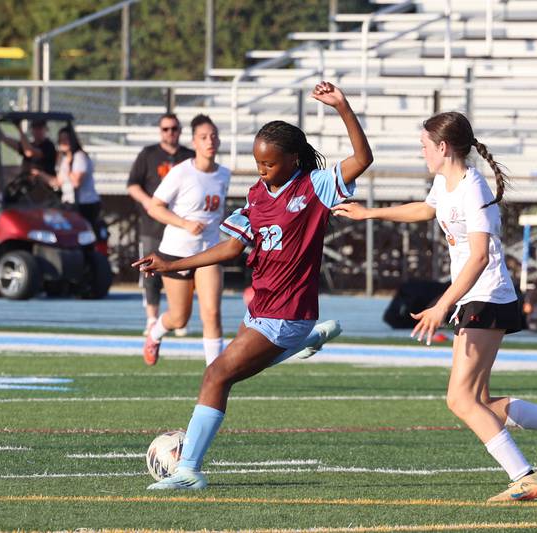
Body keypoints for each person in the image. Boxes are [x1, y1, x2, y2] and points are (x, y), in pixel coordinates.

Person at [332, 111, 537, 502]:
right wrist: (371, 212)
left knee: (459, 399)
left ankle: (525, 477)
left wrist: (442, 306)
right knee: (482, 402)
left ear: (442, 147)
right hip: (476, 298)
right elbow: (426, 209)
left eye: (424, 145)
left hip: (485, 297)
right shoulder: (445, 180)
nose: (421, 152)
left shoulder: (473, 188)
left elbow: (478, 259)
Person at [133, 81, 370, 490]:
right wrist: (174, 262)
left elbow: (363, 158)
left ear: (293, 159)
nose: (262, 170)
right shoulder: (258, 194)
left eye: (270, 164)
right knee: (228, 375)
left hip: (285, 313)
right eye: (258, 163)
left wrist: (343, 107)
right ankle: (304, 341)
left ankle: (188, 470)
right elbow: (229, 249)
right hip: (262, 308)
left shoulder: (314, 187)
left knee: (216, 376)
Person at [139, 114, 230, 367]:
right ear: (194, 142)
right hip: (177, 253)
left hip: (209, 252)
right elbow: (155, 207)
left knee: (212, 313)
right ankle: (155, 334)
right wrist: (185, 223)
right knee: (179, 318)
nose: (209, 141)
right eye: (203, 137)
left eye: (213, 136)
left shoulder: (224, 174)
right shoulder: (181, 172)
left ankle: (215, 372)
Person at [127, 113, 196, 336]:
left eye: (174, 128)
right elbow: (132, 185)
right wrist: (149, 202)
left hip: (181, 227)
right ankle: (152, 318)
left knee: (183, 272)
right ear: (160, 131)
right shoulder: (148, 154)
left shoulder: (189, 156)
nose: (170, 133)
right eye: (166, 129)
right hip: (153, 224)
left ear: (180, 130)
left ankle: (178, 316)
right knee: (150, 272)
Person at [32, 126, 101, 228]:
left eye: (66, 139)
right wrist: (39, 174)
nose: (63, 142)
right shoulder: (65, 159)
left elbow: (76, 182)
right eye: (61, 140)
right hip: (69, 204)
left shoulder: (79, 157)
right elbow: (58, 182)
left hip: (84, 204)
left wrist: (69, 165)